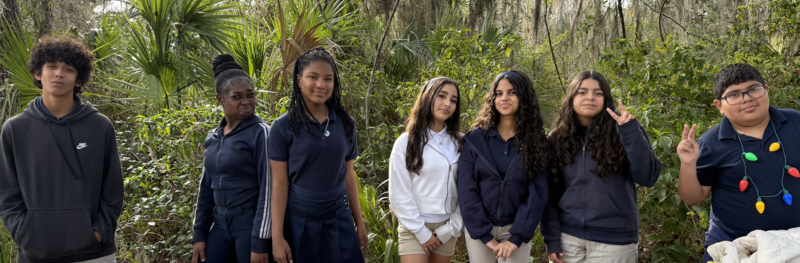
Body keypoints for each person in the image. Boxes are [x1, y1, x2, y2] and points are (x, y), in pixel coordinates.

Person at [0, 35, 124, 263]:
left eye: (68, 68)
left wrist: (97, 233)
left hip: (95, 254)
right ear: (38, 73)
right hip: (35, 255)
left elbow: (113, 189)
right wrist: (24, 234)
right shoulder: (14, 129)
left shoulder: (99, 126)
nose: (59, 73)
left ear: (78, 79)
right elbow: (7, 194)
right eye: (52, 66)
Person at [676, 63, 800, 262]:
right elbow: (693, 198)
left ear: (766, 91)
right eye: (734, 95)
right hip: (734, 245)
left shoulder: (795, 122)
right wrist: (688, 164)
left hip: (794, 241)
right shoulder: (711, 142)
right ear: (719, 106)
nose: (747, 98)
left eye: (754, 89)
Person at [542, 71, 661, 263]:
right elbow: (549, 195)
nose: (590, 97)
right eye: (582, 92)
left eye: (598, 93)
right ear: (571, 97)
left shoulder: (624, 131)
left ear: (606, 99)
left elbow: (648, 177)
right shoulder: (557, 138)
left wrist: (630, 132)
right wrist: (552, 239)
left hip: (614, 242)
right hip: (568, 240)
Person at [269, 47, 367, 263]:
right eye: (313, 77)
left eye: (328, 79)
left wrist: (359, 221)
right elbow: (279, 183)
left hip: (338, 214)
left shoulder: (346, 123)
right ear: (298, 80)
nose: (321, 85)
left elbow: (349, 175)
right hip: (299, 219)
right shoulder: (282, 127)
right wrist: (276, 237)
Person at [458, 70, 551, 262]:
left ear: (524, 96)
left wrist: (516, 238)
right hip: (480, 231)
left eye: (512, 92)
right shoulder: (475, 140)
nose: (504, 98)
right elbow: (467, 190)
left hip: (516, 230)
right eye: (498, 93)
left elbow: (537, 194)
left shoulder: (537, 142)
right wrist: (485, 236)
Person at [191, 54, 273, 263]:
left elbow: (270, 188)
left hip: (250, 223)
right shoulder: (213, 138)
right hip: (220, 224)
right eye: (237, 97)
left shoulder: (261, 133)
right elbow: (206, 189)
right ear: (221, 99)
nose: (246, 102)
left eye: (251, 95)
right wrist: (199, 234)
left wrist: (260, 240)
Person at [389, 77, 464, 263]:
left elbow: (468, 190)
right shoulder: (406, 142)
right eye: (442, 96)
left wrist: (452, 228)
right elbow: (398, 194)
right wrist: (422, 233)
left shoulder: (462, 142)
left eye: (453, 100)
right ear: (428, 97)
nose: (447, 103)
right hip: (414, 226)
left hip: (448, 227)